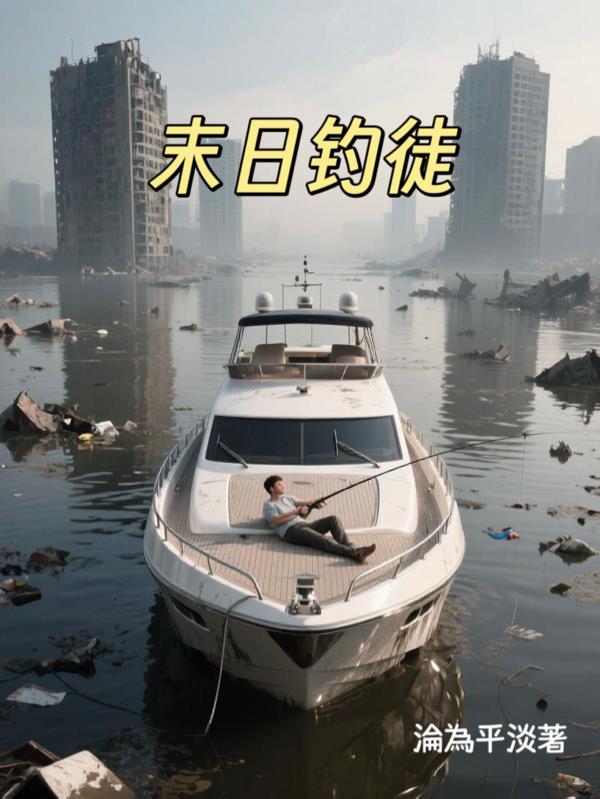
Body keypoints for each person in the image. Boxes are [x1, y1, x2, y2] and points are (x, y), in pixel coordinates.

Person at [263, 475, 376, 563]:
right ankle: (355, 553)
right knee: (321, 539)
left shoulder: (287, 498)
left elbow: (305, 502)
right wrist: (296, 511)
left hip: (305, 524)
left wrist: (317, 502)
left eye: (282, 483)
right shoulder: (269, 505)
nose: (283, 486)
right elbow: (275, 521)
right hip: (290, 531)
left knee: (333, 519)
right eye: (279, 484)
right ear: (271, 489)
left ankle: (353, 548)